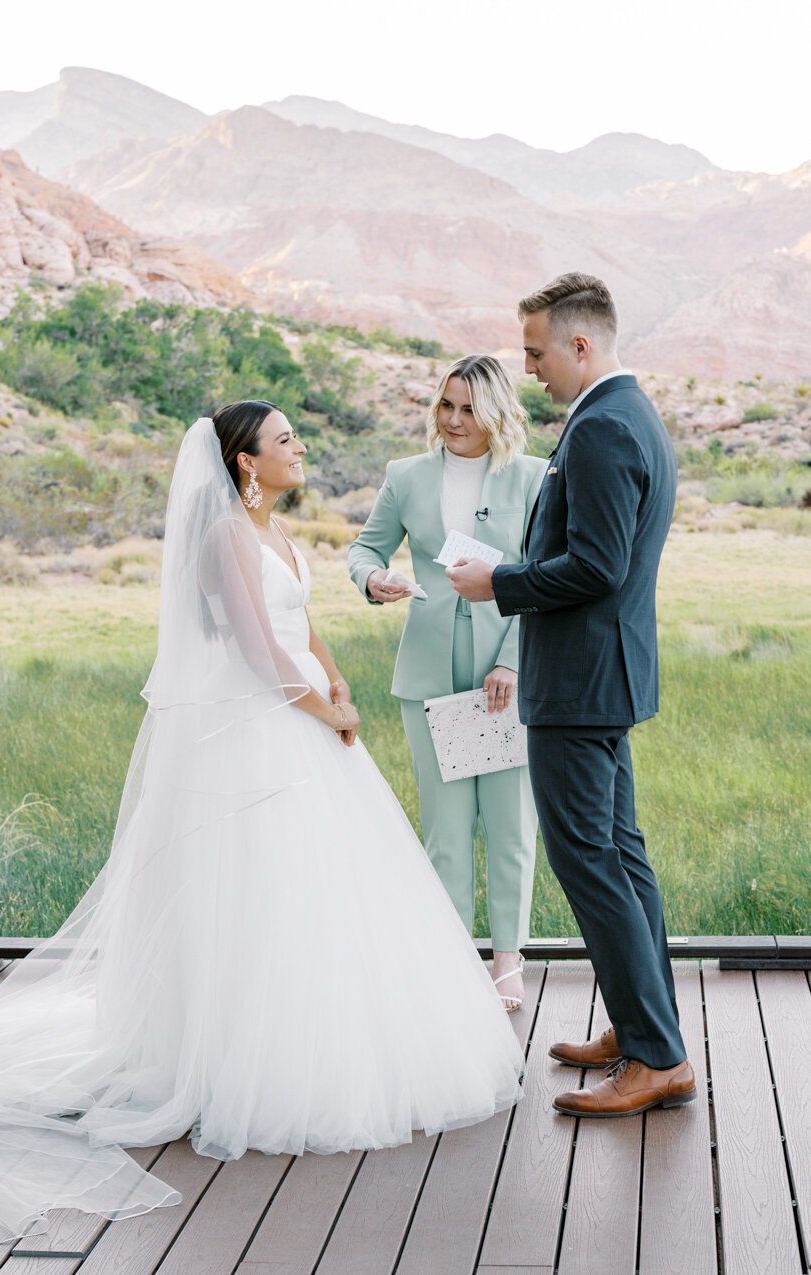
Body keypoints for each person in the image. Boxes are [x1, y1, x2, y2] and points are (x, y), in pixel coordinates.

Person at [0, 402, 524, 1247]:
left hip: (312, 716)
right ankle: (244, 1063)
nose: (301, 447)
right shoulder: (225, 533)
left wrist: (338, 688)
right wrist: (320, 713)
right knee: (263, 888)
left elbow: (305, 628)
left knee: (334, 892)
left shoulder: (274, 530)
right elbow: (260, 654)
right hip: (262, 728)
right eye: (286, 440)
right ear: (245, 461)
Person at [447, 275, 696, 1117]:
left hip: (582, 683)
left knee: (588, 859)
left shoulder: (599, 431)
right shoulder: (628, 416)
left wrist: (498, 582)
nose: (529, 368)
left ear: (580, 346)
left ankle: (656, 1054)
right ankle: (640, 1028)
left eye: (535, 351)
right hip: (605, 676)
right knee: (620, 855)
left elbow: (598, 565)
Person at [348, 356, 547, 1011]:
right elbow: (365, 549)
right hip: (429, 672)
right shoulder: (405, 476)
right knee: (447, 827)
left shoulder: (532, 477)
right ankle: (454, 956)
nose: (454, 420)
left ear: (496, 412)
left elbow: (546, 575)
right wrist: (372, 580)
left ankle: (508, 961)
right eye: (446, 405)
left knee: (511, 823)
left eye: (468, 408)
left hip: (505, 676)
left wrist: (513, 659)